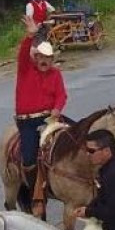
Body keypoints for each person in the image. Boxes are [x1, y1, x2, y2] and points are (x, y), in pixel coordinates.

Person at [15, 16, 68, 211]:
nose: (45, 61)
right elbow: (22, 53)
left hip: (50, 117)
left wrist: (56, 110)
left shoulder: (56, 73)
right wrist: (30, 35)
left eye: (48, 58)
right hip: (28, 121)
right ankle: (33, 193)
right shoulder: (25, 69)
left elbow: (62, 95)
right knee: (28, 159)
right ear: (35, 57)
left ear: (52, 59)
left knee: (76, 138)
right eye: (41, 57)